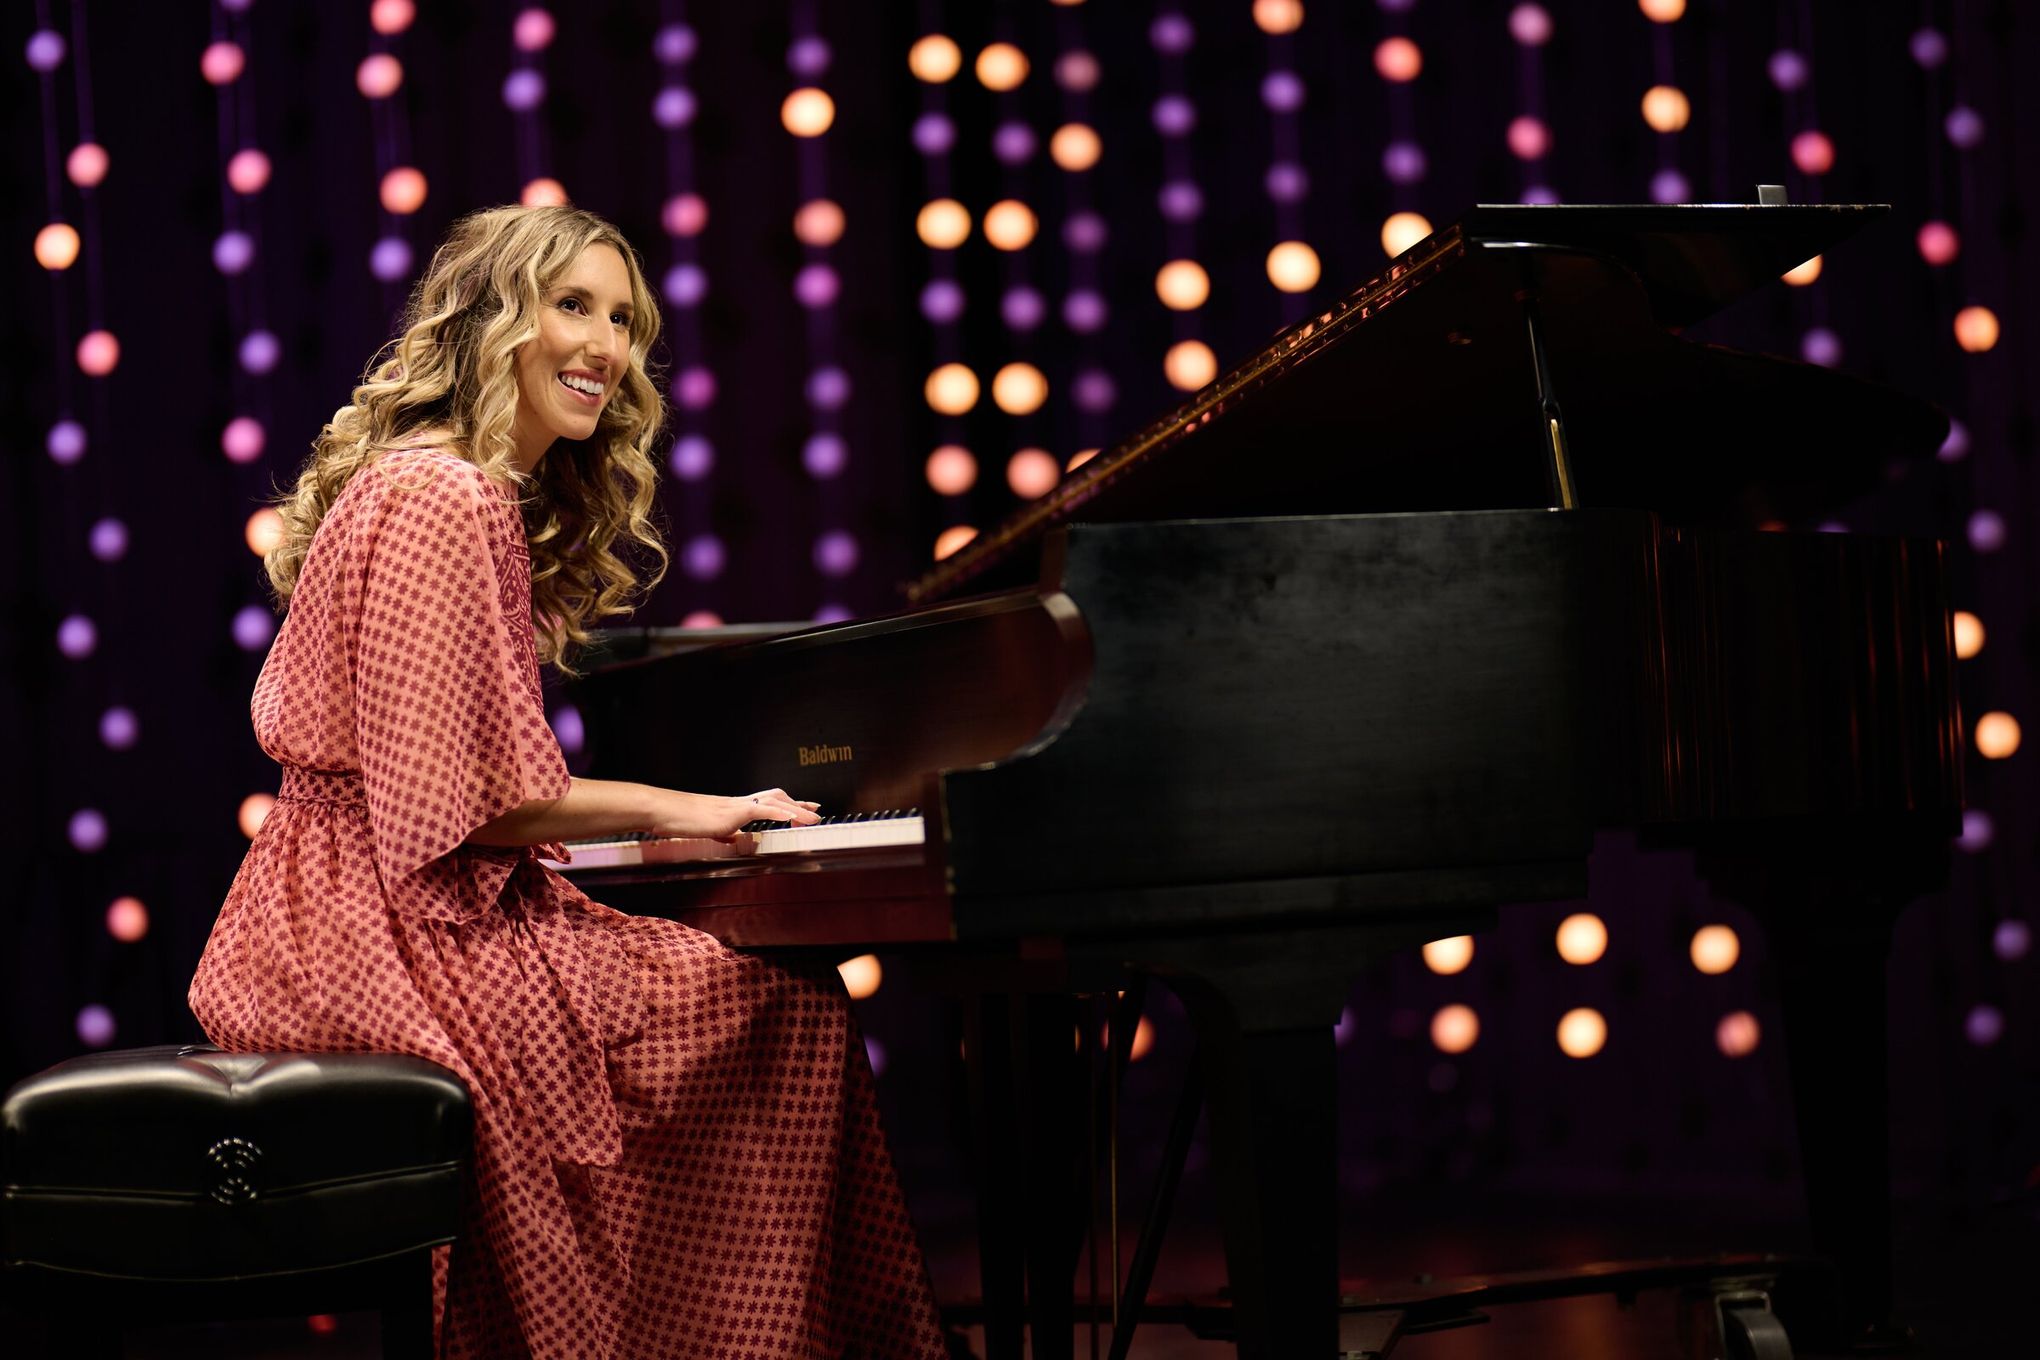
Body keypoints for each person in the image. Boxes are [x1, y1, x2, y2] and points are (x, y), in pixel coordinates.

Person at [188, 204, 947, 1359]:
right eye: (572, 305)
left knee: (728, 996)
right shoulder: (451, 497)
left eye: (625, 321)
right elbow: (468, 805)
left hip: (328, 907)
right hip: (381, 930)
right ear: (494, 320)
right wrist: (693, 809)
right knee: (785, 1009)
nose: (605, 347)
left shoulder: (424, 481)